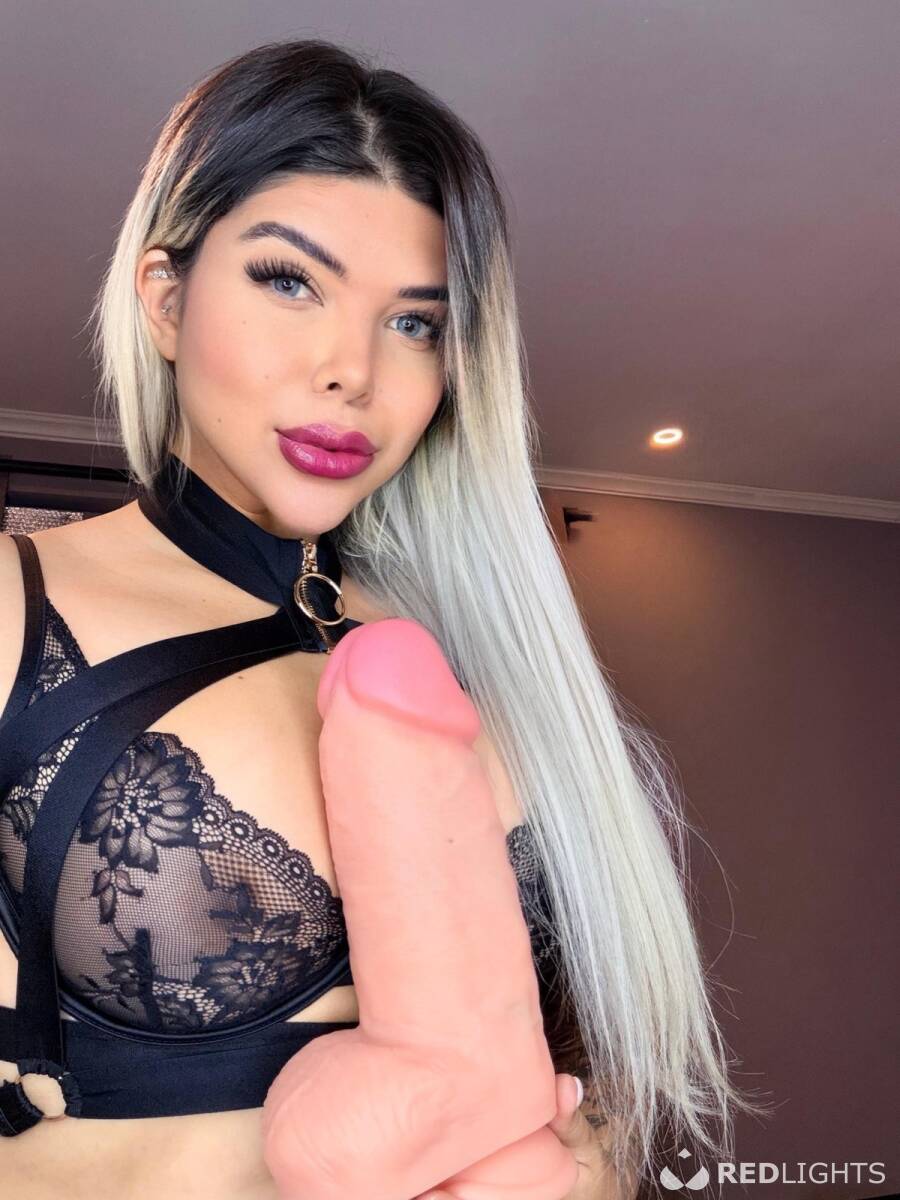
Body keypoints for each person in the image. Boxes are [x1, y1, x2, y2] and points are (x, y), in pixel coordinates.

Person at [0, 37, 765, 1200]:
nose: (352, 371)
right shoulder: (22, 606)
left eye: (415, 324)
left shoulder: (482, 657)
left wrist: (594, 1161)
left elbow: (576, 1063)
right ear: (164, 298)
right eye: (289, 281)